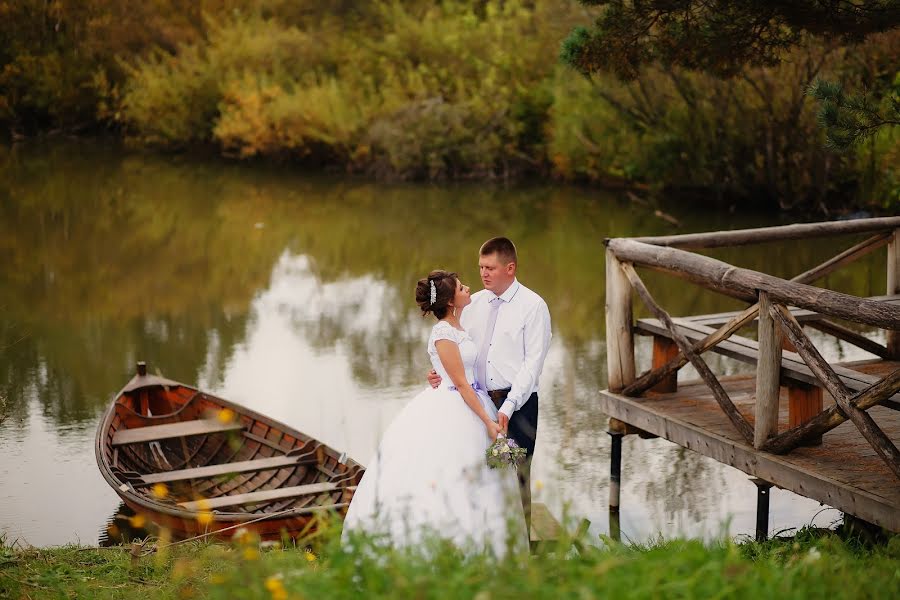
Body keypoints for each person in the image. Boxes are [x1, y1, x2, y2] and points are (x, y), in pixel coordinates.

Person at [342, 270, 527, 557]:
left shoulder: (459, 325)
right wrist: (488, 422)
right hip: (458, 406)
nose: (468, 288)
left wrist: (439, 373)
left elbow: (458, 372)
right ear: (451, 300)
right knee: (447, 473)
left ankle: (489, 544)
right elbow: (462, 383)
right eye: (462, 287)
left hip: (472, 400)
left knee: (482, 479)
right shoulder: (442, 332)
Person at [428, 237, 552, 528]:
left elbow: (532, 365)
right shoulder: (473, 304)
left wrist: (508, 407)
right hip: (476, 403)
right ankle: (484, 537)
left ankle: (522, 543)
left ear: (510, 268)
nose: (483, 273)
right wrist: (438, 372)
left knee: (516, 473)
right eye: (481, 266)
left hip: (518, 406)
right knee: (482, 475)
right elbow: (454, 348)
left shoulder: (534, 307)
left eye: (490, 268)